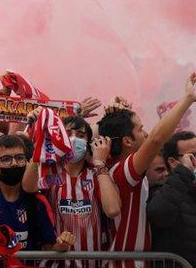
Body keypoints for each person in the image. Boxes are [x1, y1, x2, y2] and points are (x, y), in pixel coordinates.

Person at [97, 74, 196, 268]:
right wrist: (188, 99)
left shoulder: (112, 165)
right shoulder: (123, 171)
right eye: (140, 130)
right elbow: (157, 138)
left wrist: (113, 112)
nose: (146, 134)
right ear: (127, 141)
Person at [22, 115, 121, 266]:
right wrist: (41, 149)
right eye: (68, 134)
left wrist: (100, 163)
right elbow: (28, 187)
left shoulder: (97, 174)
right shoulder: (51, 172)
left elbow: (113, 209)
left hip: (92, 264)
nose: (74, 139)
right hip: (54, 262)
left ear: (88, 143)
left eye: (81, 136)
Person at [0, 135, 75, 251]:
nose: (14, 163)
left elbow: (50, 248)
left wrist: (63, 244)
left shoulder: (39, 202)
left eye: (19, 158)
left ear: (27, 162)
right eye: (6, 159)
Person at [147, 130, 196, 267]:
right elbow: (159, 213)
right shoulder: (162, 190)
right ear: (173, 163)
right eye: (193, 156)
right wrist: (185, 172)